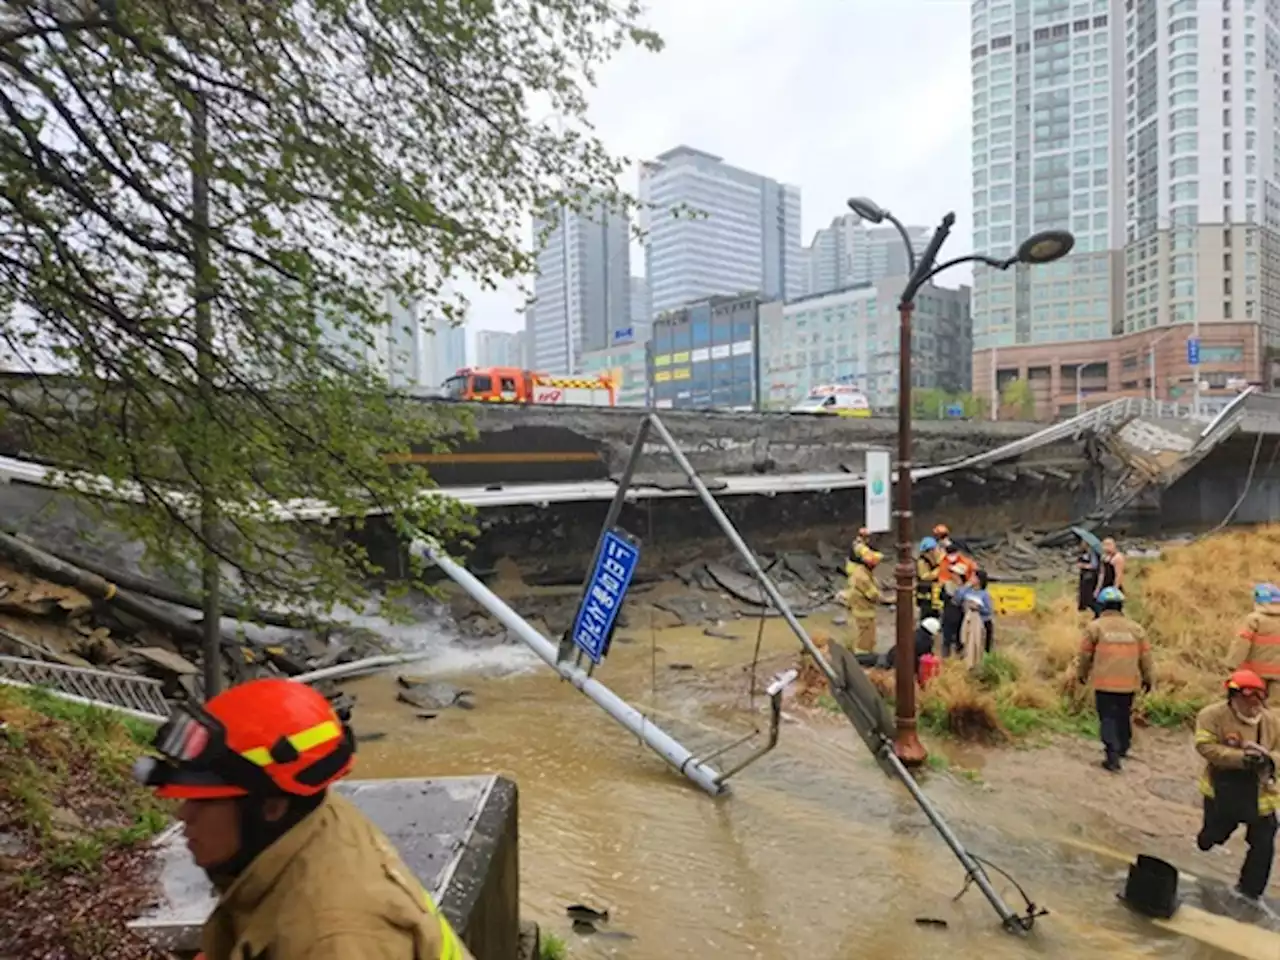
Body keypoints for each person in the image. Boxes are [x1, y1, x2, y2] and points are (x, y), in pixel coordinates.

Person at [133, 678, 474, 960]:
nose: (183, 815)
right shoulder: (310, 822)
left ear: (271, 807)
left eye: (203, 802)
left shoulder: (334, 939)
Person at [1193, 669, 1279, 901]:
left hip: (1262, 795)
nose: (1254, 707)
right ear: (1233, 697)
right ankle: (1208, 839)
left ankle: (1250, 891)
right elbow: (1205, 747)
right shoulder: (1211, 716)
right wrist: (1241, 758)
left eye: (1259, 700)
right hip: (1223, 791)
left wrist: (1268, 759)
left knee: (1264, 844)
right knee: (1214, 836)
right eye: (1248, 700)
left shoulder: (1272, 721)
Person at [1077, 586, 1153, 773]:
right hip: (1129, 683)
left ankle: (1112, 757)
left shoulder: (1095, 627)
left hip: (1105, 682)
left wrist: (1082, 675)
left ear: (1101, 606)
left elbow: (1084, 655)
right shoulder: (1136, 629)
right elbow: (1146, 657)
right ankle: (1123, 747)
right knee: (1123, 714)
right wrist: (1148, 679)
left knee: (1108, 717)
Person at [1229, 583, 1280, 698]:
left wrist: (1233, 663)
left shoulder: (1254, 619)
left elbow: (1242, 643)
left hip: (1255, 673)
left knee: (1254, 702)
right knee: (1276, 708)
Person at [840, 547, 889, 653]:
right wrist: (889, 600)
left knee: (864, 635)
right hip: (863, 611)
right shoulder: (863, 577)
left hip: (859, 609)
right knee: (865, 638)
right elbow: (873, 595)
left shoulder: (860, 571)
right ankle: (862, 657)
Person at [956, 569, 995, 655]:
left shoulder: (984, 594)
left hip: (982, 622)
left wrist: (978, 608)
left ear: (979, 580)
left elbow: (989, 610)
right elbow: (957, 599)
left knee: (981, 646)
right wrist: (966, 586)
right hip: (969, 621)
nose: (971, 579)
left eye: (974, 577)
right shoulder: (968, 591)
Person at [1093, 537, 1125, 617]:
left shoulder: (1118, 557)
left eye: (1109, 545)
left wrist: (1115, 590)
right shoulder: (1103, 557)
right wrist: (1097, 588)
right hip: (1104, 586)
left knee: (1114, 610)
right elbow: (1102, 573)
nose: (1107, 547)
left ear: (1114, 545)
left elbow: (1119, 575)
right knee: (1099, 608)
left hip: (1113, 586)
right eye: (1105, 545)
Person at [915, 536, 943, 624]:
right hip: (925, 591)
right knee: (927, 611)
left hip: (935, 589)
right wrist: (937, 571)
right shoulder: (922, 562)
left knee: (937, 609)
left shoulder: (936, 557)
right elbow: (924, 576)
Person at [1076, 536, 1100, 614]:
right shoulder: (1084, 552)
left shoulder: (1092, 552)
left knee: (1088, 595)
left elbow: (1094, 565)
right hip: (1085, 576)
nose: (1081, 544)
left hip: (1090, 577)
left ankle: (1095, 611)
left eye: (1083, 542)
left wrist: (1083, 565)